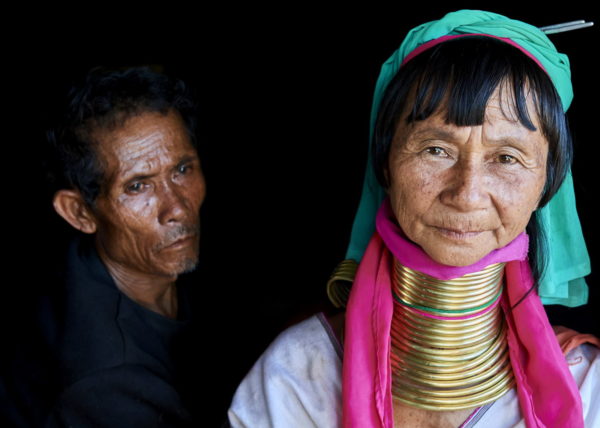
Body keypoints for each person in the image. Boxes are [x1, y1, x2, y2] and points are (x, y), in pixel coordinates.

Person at [227, 10, 600, 428]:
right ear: (385, 164)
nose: (467, 194)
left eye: (506, 158)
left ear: (545, 187)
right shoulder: (294, 380)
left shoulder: (588, 388)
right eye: (435, 149)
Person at [2, 67, 205, 427]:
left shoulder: (148, 259)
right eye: (138, 187)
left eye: (182, 169)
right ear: (79, 212)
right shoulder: (107, 380)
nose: (177, 208)